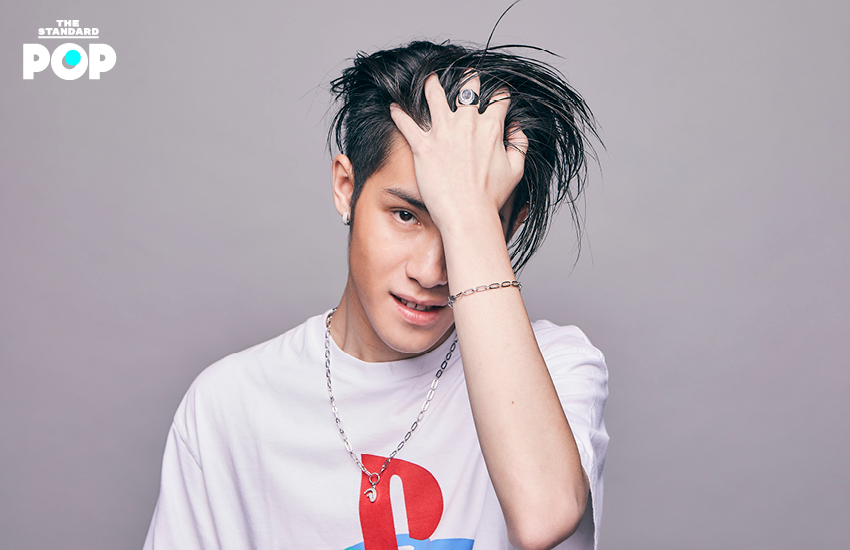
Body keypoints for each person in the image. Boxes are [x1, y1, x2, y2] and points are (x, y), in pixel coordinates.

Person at [143, 39, 609, 550]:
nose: (431, 272)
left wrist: (470, 213)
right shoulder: (231, 402)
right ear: (346, 188)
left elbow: (544, 517)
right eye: (406, 215)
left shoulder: (558, 366)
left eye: (469, 226)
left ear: (505, 229)